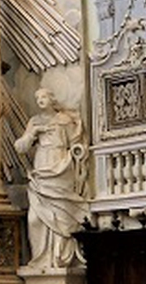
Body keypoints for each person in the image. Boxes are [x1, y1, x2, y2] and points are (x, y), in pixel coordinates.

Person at [14, 87, 90, 270]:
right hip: (41, 167)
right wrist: (33, 133)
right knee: (34, 218)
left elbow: (77, 146)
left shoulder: (65, 120)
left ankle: (58, 259)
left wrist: (77, 154)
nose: (39, 99)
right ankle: (40, 259)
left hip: (61, 165)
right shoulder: (35, 121)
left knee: (60, 212)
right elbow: (20, 147)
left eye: (43, 96)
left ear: (51, 99)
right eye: (37, 97)